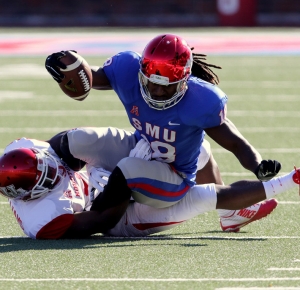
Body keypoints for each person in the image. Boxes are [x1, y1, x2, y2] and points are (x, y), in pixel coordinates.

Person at [45, 34, 281, 232]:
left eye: (166, 85)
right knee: (79, 139)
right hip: (142, 146)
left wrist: (257, 165)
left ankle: (87, 217)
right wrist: (70, 66)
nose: (157, 91)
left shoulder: (201, 100)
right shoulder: (127, 68)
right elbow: (91, 78)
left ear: (184, 81)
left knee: (128, 168)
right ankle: (35, 160)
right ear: (141, 73)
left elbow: (235, 143)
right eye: (151, 83)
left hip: (173, 176)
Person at [0, 127, 297, 239]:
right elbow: (102, 221)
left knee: (198, 149)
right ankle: (291, 181)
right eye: (49, 176)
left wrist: (127, 152)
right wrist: (122, 178)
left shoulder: (23, 149)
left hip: (99, 180)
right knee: (202, 197)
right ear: (33, 193)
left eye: (47, 163)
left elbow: (67, 149)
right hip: (115, 215)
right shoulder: (43, 220)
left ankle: (230, 217)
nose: (56, 168)